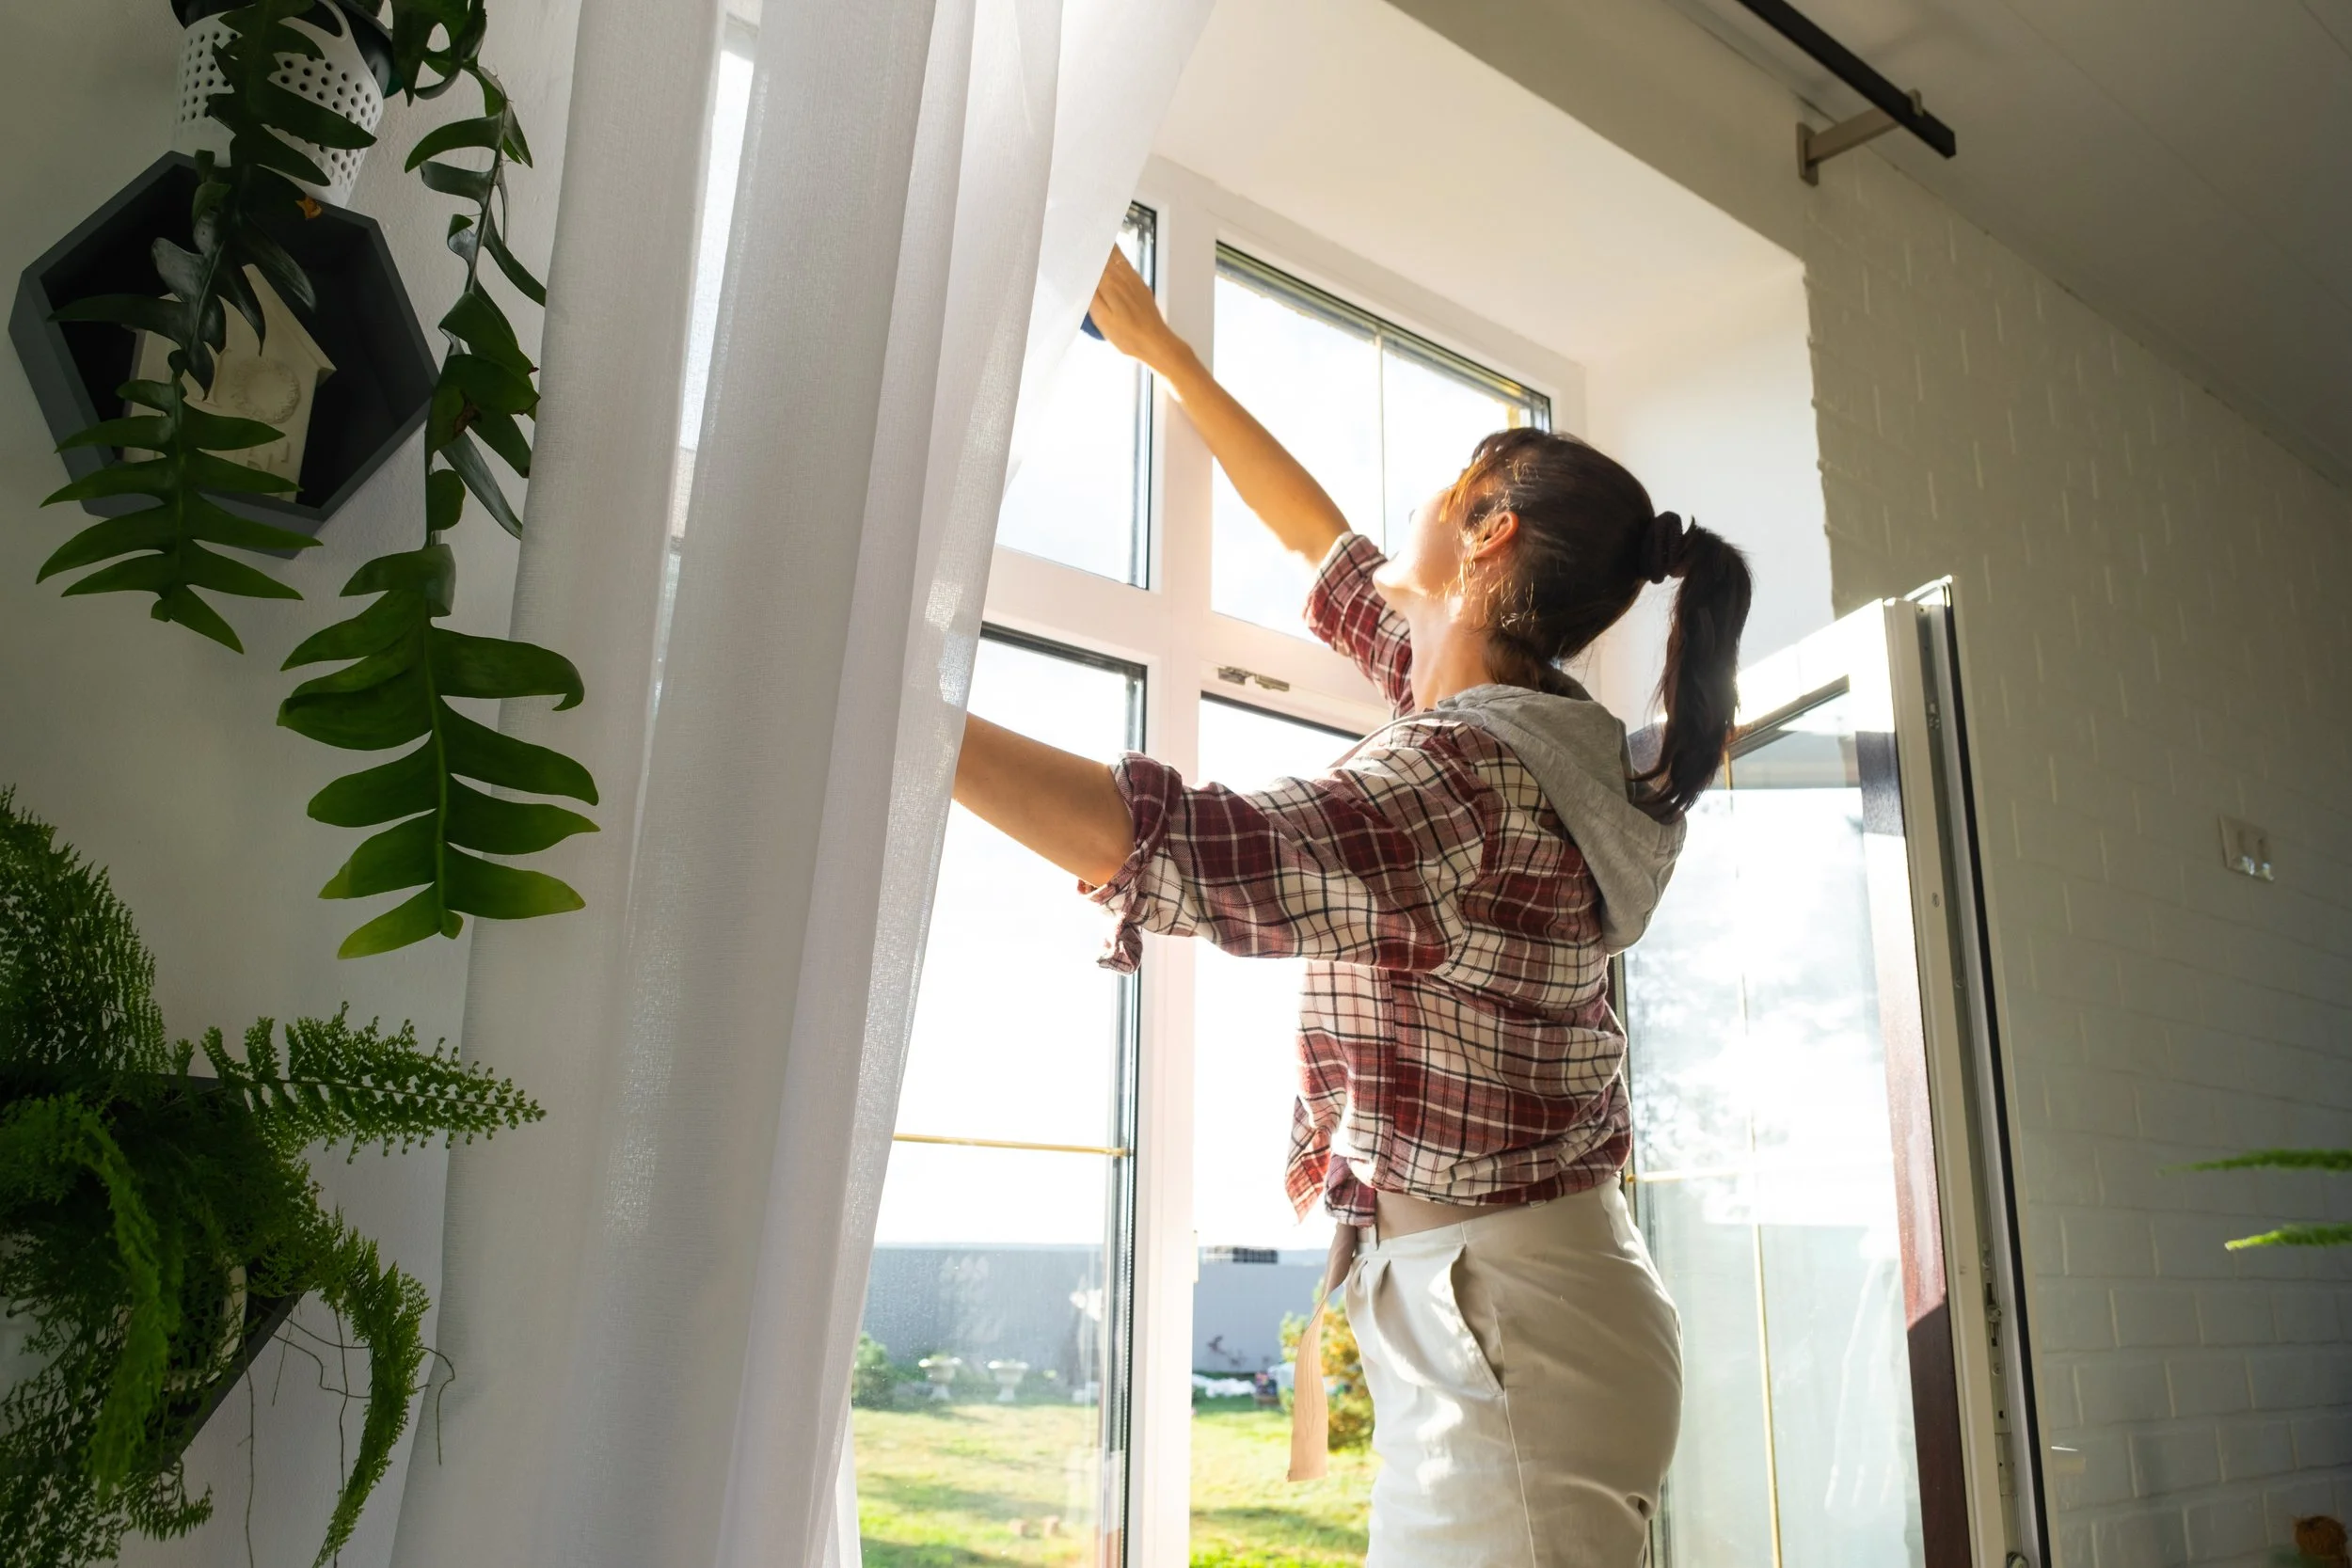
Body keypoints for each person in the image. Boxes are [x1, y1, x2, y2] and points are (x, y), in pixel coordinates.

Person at [951, 248, 1754, 1567]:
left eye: (1445, 494)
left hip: (1513, 1342)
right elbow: (1323, 546)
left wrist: (896, 714)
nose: (1412, 522)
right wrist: (1165, 352)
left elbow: (1207, 852)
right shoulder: (1521, 732)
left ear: (1486, 534)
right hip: (1537, 1311)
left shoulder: (1467, 777)